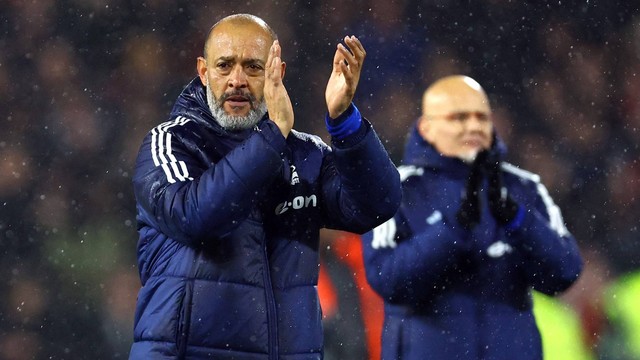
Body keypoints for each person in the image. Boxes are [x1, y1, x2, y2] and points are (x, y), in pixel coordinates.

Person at [129, 13, 401, 359]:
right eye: (224, 66)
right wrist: (272, 136)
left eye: (254, 67)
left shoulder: (303, 155)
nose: (237, 80)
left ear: (278, 73)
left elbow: (377, 205)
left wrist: (344, 120)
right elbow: (196, 217)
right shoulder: (170, 143)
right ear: (203, 71)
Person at [362, 75, 583, 360]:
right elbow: (387, 279)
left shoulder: (524, 187)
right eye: (458, 117)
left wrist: (519, 222)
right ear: (426, 128)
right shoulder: (395, 189)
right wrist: (452, 233)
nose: (474, 126)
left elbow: (564, 272)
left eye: (482, 117)